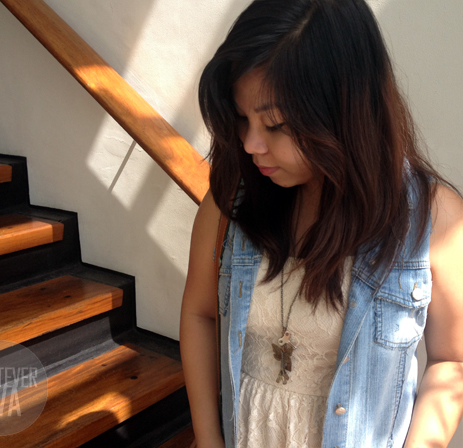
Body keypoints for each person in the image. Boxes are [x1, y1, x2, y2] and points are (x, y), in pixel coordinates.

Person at [179, 0, 463, 447]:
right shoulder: (232, 200)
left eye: (275, 124)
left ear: (345, 111)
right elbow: (199, 313)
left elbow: (451, 360)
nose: (251, 144)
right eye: (242, 118)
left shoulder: (433, 217)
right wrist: (209, 439)